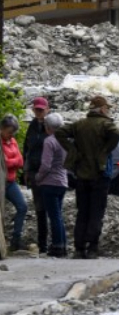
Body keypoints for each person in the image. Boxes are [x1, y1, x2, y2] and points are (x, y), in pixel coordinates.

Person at [57, 95, 119, 259]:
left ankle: (79, 249)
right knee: (96, 212)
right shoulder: (105, 124)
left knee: (82, 212)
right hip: (100, 175)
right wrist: (106, 149)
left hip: (81, 175)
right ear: (102, 109)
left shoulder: (79, 124)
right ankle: (92, 248)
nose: (108, 111)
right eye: (107, 108)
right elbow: (117, 133)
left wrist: (72, 150)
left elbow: (60, 132)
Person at [36, 113, 69, 258]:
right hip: (63, 181)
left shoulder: (49, 141)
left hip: (49, 182)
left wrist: (38, 177)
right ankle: (63, 245)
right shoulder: (65, 141)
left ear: (48, 128)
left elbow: (45, 165)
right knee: (58, 215)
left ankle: (57, 246)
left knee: (54, 216)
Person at [23, 97, 49, 253]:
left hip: (48, 174)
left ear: (47, 109)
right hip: (34, 172)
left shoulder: (51, 126)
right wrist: (26, 171)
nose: (39, 112)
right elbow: (27, 149)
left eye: (41, 109)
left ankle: (56, 242)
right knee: (39, 208)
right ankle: (43, 243)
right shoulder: (32, 126)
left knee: (50, 208)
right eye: (36, 109)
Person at [2, 115, 27, 254]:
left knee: (22, 207)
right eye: (9, 132)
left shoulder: (12, 141)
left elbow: (20, 161)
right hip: (1, 182)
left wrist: (9, 161)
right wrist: (13, 161)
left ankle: (15, 240)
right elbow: (3, 163)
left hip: (10, 181)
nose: (11, 135)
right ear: (3, 129)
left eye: (12, 133)